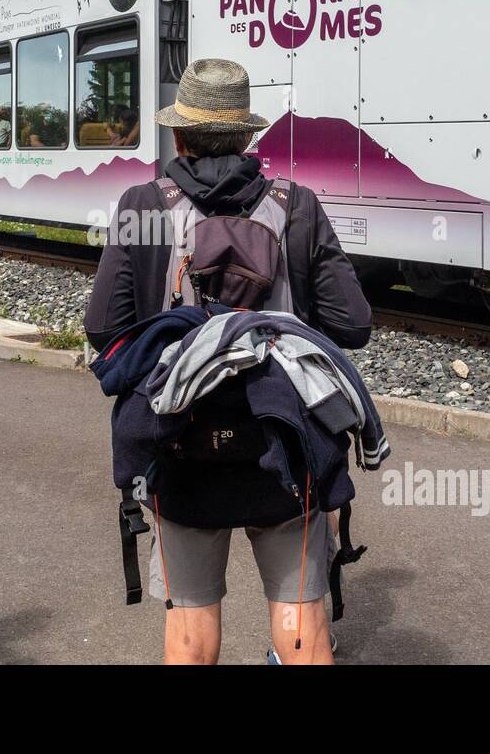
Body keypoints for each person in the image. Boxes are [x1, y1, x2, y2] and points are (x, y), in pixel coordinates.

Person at [85, 59, 373, 665]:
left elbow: (103, 329)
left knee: (190, 632)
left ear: (178, 136)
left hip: (181, 447)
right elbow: (353, 324)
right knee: (301, 623)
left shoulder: (141, 204)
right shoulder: (297, 205)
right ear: (248, 138)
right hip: (284, 447)